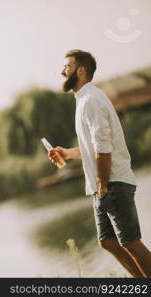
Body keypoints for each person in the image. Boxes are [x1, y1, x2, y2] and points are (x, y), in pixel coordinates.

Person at [48, 49, 151, 277]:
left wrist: (103, 184)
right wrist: (66, 153)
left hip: (112, 184)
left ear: (81, 71)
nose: (62, 72)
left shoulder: (91, 100)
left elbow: (104, 148)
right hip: (103, 186)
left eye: (67, 67)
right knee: (108, 242)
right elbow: (94, 148)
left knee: (131, 243)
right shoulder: (84, 99)